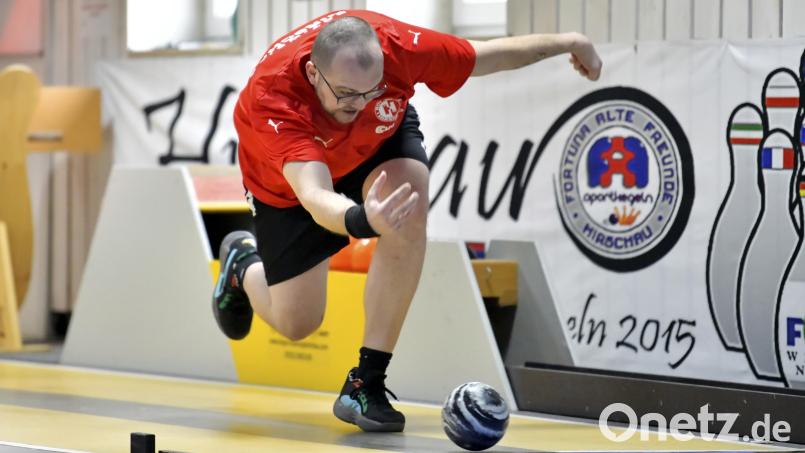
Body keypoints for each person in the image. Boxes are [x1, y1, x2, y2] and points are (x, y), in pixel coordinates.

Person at [213, 9, 602, 433]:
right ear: (312, 73)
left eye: (370, 92)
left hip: (376, 141)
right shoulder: (275, 98)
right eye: (345, 93)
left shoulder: (399, 46)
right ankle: (242, 266)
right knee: (298, 322)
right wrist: (363, 219)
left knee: (410, 203)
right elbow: (315, 195)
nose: (358, 106)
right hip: (289, 184)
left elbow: (486, 55)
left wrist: (569, 42)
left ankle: (366, 383)